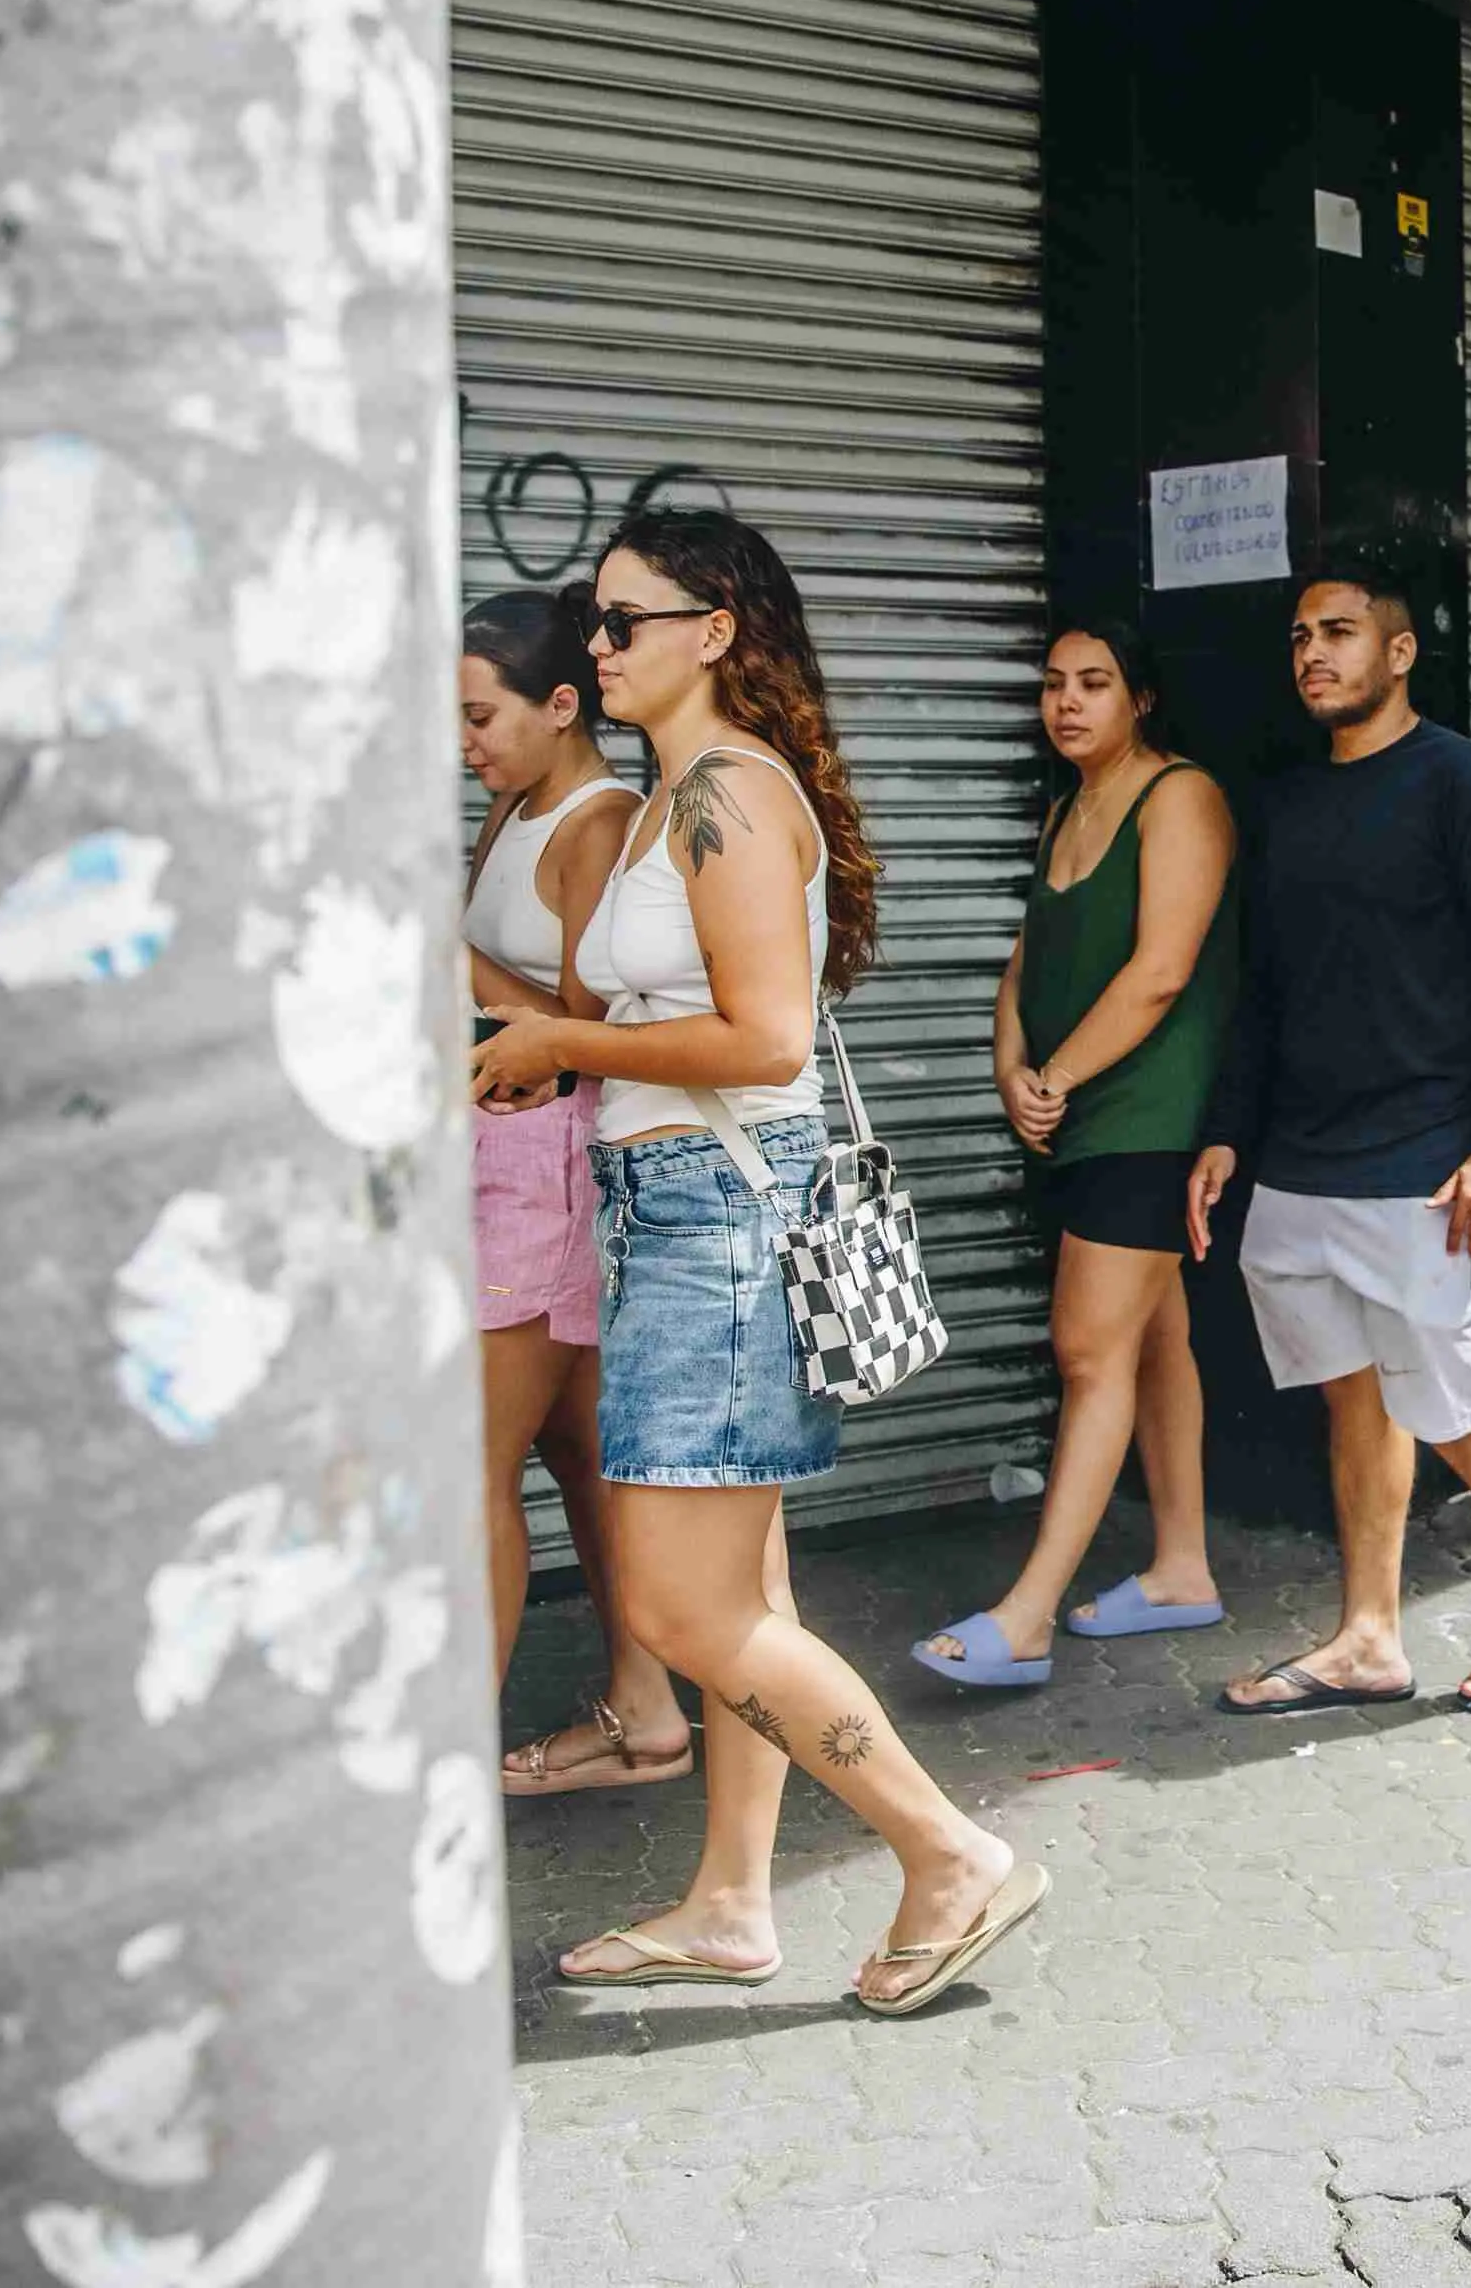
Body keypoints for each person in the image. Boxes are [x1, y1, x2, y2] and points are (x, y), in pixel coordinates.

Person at [473, 511, 1042, 2013]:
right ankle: (734, 1901)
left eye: (622, 622)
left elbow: (770, 1040)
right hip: (672, 1206)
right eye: (593, 625)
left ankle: (944, 1850)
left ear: (716, 629)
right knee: (743, 1589)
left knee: (682, 1612)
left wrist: (563, 1040)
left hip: (717, 1224)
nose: (595, 650)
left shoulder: (729, 790)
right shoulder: (669, 801)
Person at [1188, 559, 1471, 1718]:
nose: (1312, 652)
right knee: (1353, 1395)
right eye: (1299, 636)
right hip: (1304, 1157)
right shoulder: (1287, 800)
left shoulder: (1462, 786)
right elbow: (1263, 987)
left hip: (1429, 1158)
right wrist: (1229, 1130)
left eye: (1338, 631)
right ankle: (1369, 1634)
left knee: (1449, 1396)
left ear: (1399, 650)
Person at [917, 617, 1234, 1687]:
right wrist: (1013, 1065)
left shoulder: (1177, 795)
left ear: (1138, 696)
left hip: (1144, 1112)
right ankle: (1183, 1565)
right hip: (1078, 1108)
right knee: (1152, 1340)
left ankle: (1030, 1612)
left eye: (1093, 682)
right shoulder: (1065, 805)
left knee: (1089, 1350)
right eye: (1053, 682)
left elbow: (1159, 970)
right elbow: (1025, 955)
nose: (1066, 701)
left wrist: (1054, 1079)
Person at [456, 589, 680, 1801]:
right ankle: (642, 1705)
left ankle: (448, 1752)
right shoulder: (514, 804)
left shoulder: (599, 823)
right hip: (502, 1158)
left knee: (473, 1461)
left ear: (559, 705)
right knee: (576, 1448)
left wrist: (454, 963)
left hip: (546, 1162)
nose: (466, 739)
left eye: (481, 714)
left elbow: (591, 1028)